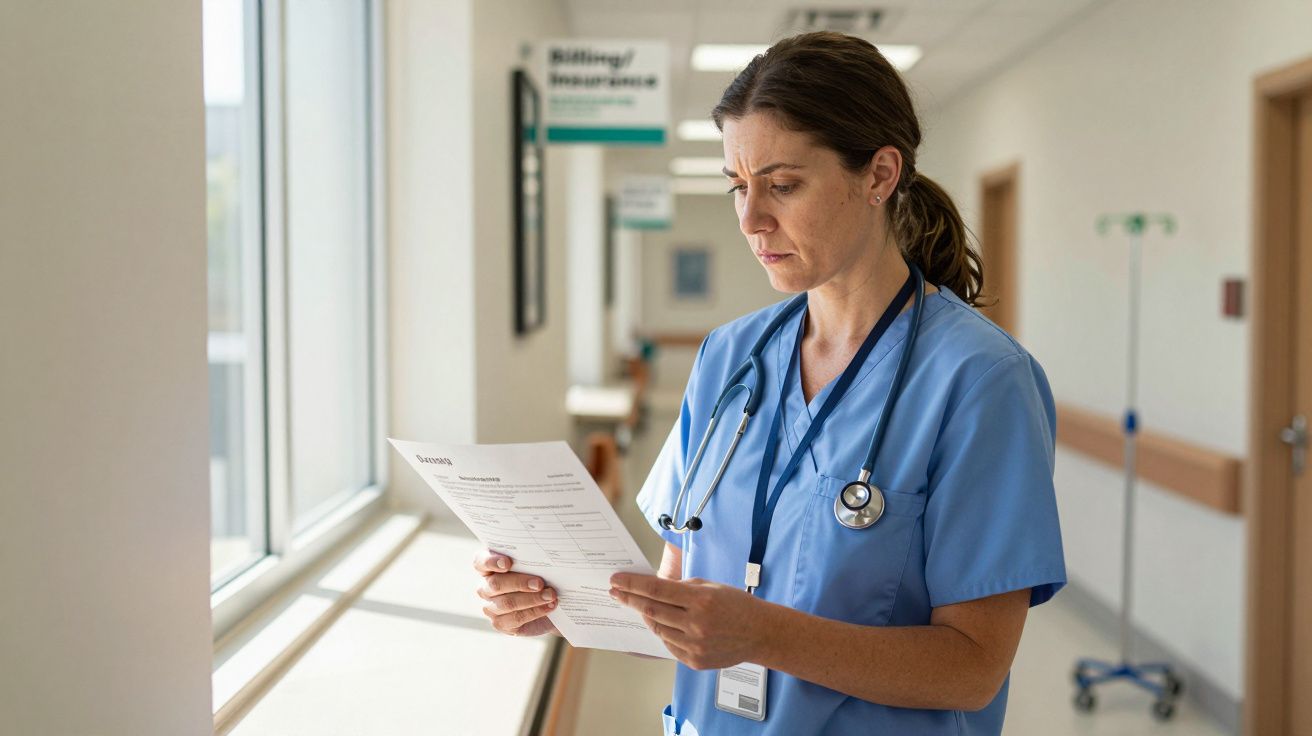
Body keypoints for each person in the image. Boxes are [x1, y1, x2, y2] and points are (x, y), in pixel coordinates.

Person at [472, 30, 1065, 735]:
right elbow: (679, 593)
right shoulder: (730, 358)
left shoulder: (980, 381)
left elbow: (973, 669)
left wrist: (764, 636)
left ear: (878, 175)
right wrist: (552, 602)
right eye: (738, 187)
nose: (752, 221)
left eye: (783, 185)